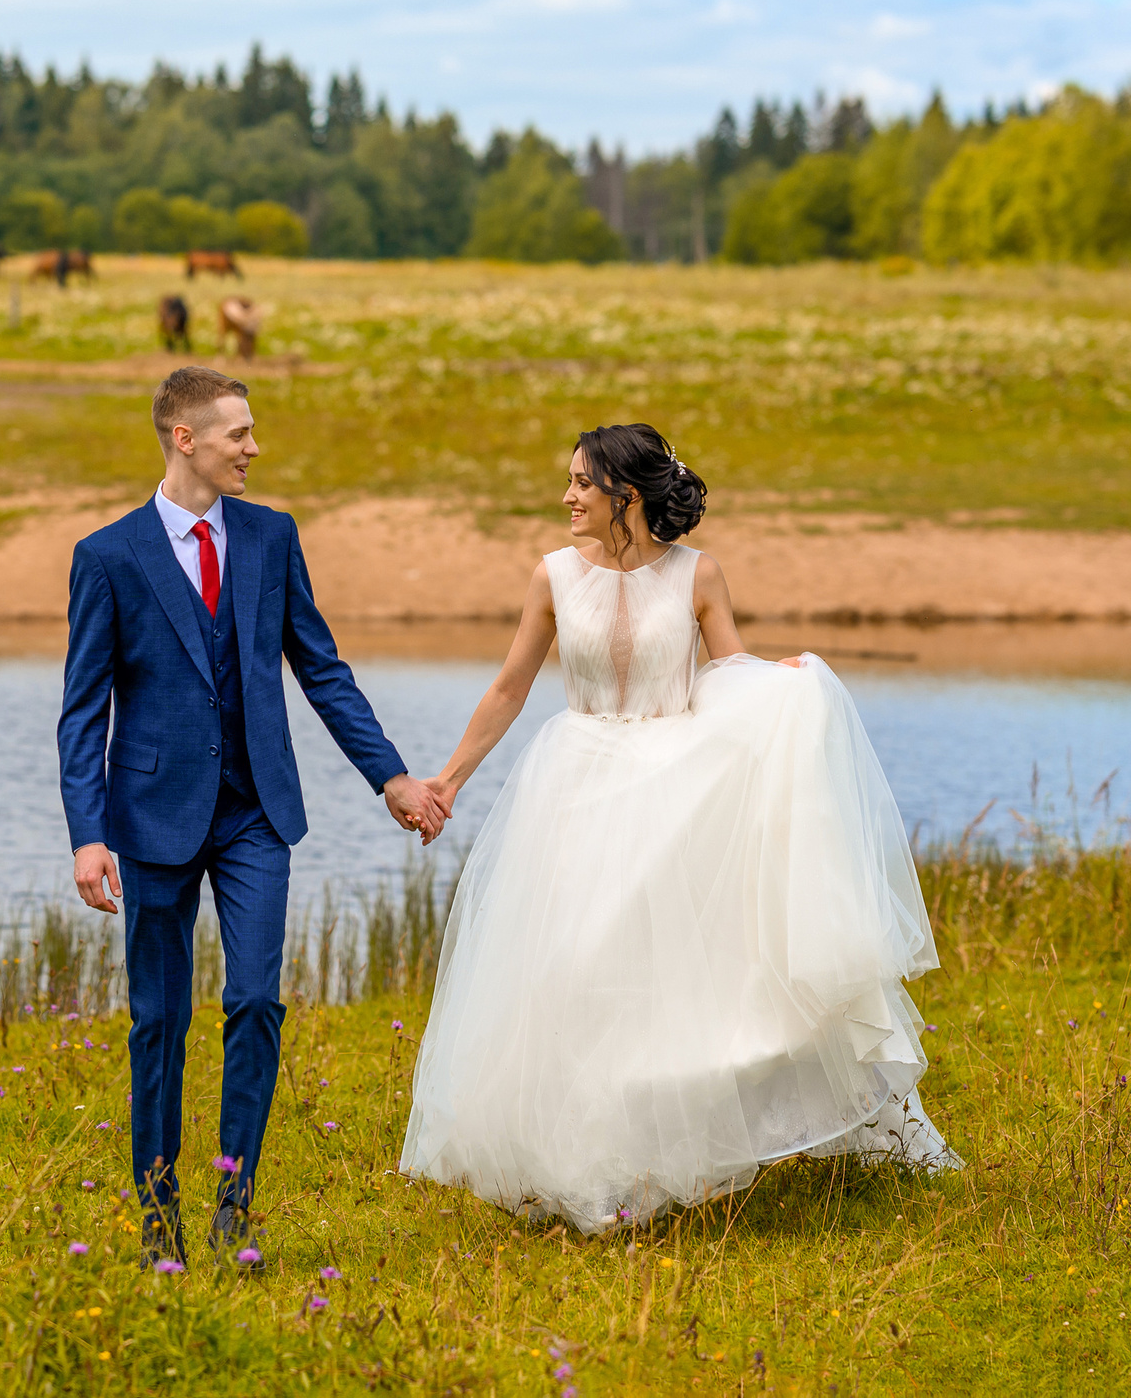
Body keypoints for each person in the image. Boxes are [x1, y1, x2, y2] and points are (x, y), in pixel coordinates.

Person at [400, 423, 956, 1232]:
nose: (565, 498)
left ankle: (673, 1159)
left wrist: (787, 683)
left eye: (580, 485)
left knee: (676, 985)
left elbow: (731, 678)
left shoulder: (699, 574)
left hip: (677, 784)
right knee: (575, 969)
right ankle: (578, 1166)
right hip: (575, 787)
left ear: (625, 496)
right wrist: (447, 780)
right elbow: (510, 688)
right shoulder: (551, 576)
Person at [59, 366, 449, 1267]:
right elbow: (83, 710)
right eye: (238, 433)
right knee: (158, 1020)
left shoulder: (273, 538)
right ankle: (159, 1217)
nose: (254, 448)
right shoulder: (109, 556)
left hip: (257, 815)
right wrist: (87, 834)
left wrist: (387, 776)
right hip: (150, 818)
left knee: (255, 1001)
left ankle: (235, 1202)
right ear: (185, 439)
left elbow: (321, 668)